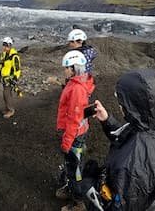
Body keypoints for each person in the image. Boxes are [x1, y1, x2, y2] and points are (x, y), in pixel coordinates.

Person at [84, 69, 155, 210]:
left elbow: (121, 206)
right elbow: (127, 136)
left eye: (122, 100)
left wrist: (91, 189)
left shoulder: (130, 165)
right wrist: (107, 120)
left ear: (134, 105)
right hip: (154, 201)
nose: (120, 104)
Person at [55, 51, 95, 210]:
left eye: (66, 67)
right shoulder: (74, 83)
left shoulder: (76, 89)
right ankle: (70, 189)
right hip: (77, 133)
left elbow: (74, 119)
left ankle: (79, 203)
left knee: (74, 168)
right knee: (72, 164)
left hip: (74, 135)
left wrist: (66, 141)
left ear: (74, 68)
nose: (64, 70)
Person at [0, 37, 22, 119]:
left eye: (6, 45)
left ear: (10, 46)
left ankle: (11, 110)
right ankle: (7, 108)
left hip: (10, 79)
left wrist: (15, 79)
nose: (4, 47)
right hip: (4, 78)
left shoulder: (14, 57)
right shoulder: (3, 55)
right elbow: (1, 65)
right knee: (6, 94)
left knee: (6, 94)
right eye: (3, 45)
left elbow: (17, 69)